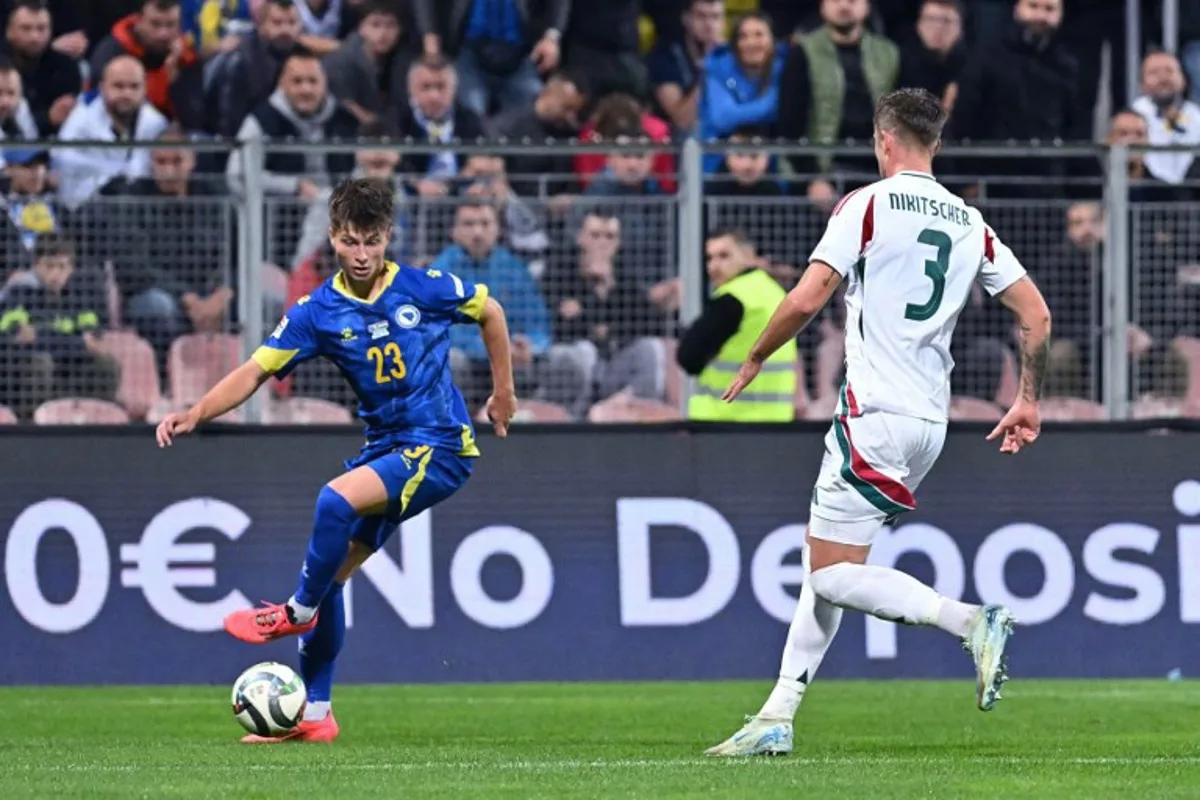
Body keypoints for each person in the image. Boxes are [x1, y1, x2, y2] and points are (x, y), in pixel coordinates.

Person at [705, 88, 1052, 757]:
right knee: (834, 557)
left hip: (874, 412)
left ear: (882, 140)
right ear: (935, 145)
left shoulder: (865, 204)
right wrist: (1027, 398)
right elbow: (1034, 314)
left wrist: (753, 355)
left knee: (829, 574)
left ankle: (972, 621)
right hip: (930, 422)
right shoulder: (968, 221)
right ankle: (777, 716)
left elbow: (809, 295)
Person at [154, 177, 517, 744]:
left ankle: (296, 612)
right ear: (333, 238)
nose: (363, 253)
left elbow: (491, 311)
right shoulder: (317, 311)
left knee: (334, 498)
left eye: (372, 240)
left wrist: (503, 393)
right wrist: (198, 411)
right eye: (351, 241)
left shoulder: (422, 288)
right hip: (386, 447)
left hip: (440, 446)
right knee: (334, 579)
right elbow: (255, 370)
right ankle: (316, 714)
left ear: (388, 236)